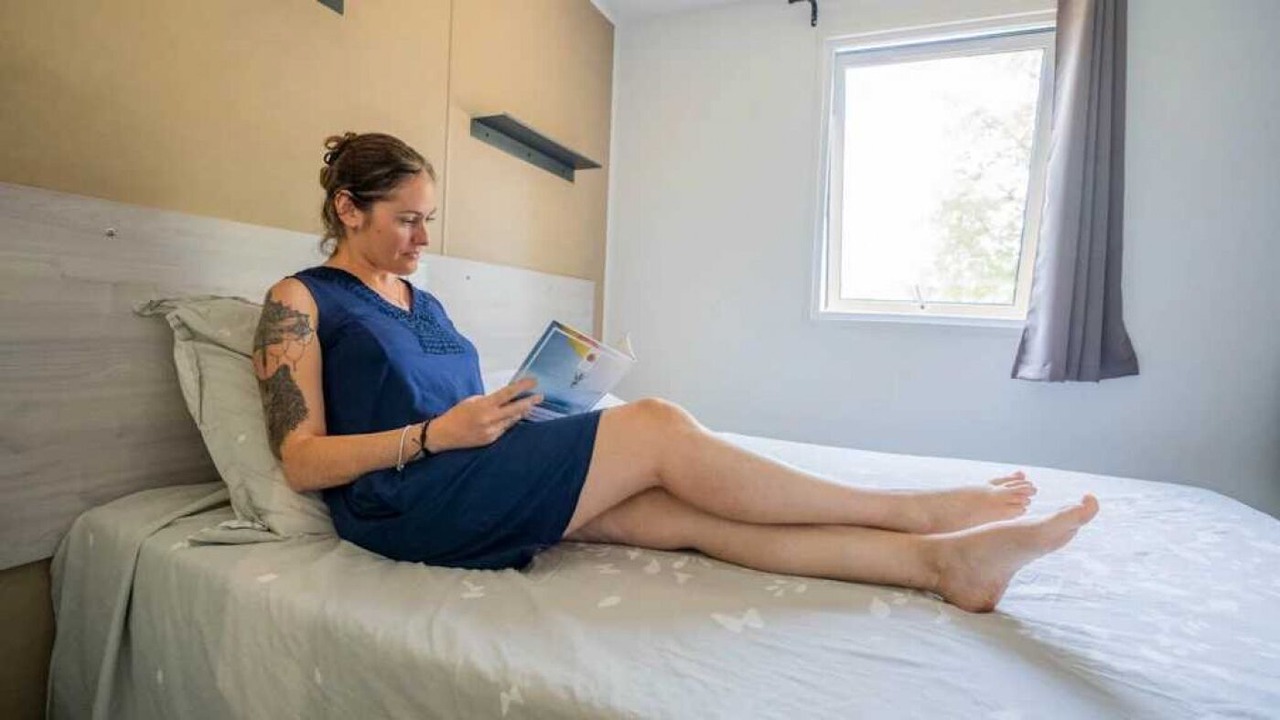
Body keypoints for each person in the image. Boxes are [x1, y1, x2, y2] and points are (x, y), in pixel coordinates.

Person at [252, 132, 1099, 614]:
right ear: (347, 209)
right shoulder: (301, 299)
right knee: (655, 424)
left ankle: (943, 567)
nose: (424, 239)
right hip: (403, 503)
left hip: (474, 465)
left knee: (684, 516)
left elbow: (457, 407)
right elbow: (300, 460)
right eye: (406, 220)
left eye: (429, 219)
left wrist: (516, 407)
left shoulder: (422, 301)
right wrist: (434, 435)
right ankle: (910, 511)